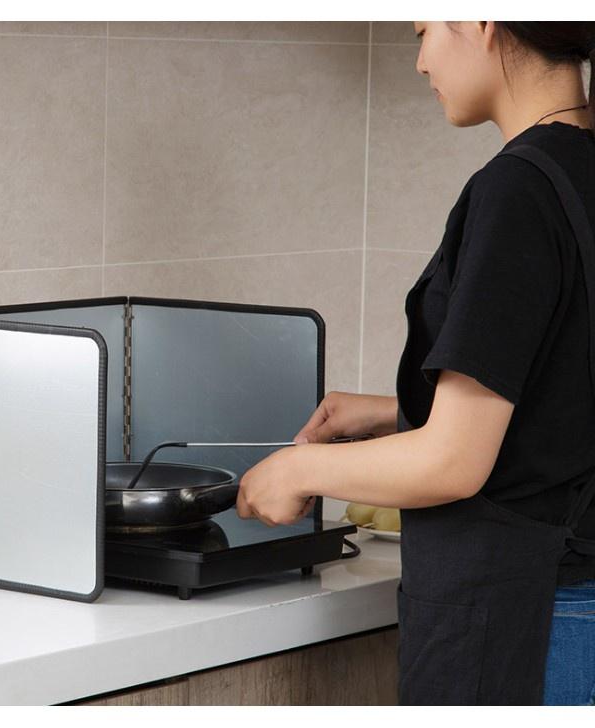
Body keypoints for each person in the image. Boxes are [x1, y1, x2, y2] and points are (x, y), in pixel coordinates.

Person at [235, 21, 595, 706]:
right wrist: (392, 413)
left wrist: (295, 469)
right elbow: (565, 395)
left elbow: (454, 463)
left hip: (525, 627)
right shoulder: (578, 167)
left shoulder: (517, 190)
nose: (423, 61)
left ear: (481, 23)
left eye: (424, 31)